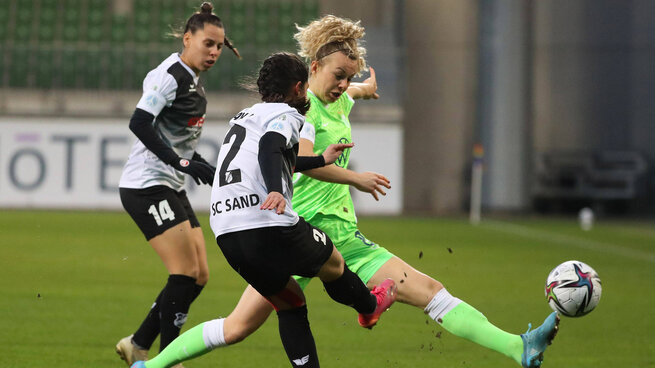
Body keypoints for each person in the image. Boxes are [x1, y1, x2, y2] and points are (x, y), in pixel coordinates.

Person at [133, 15, 559, 368]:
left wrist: (362, 89)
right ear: (312, 69)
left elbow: (343, 95)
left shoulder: (335, 98)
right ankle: (151, 364)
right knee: (237, 327)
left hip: (344, 238)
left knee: (431, 292)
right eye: (339, 76)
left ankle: (519, 348)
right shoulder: (300, 113)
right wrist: (354, 176)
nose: (343, 85)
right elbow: (302, 163)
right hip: (297, 233)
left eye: (348, 78)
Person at [131, 52, 396, 368]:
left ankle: (150, 366)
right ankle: (369, 306)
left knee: (291, 303)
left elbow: (280, 156)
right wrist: (274, 188)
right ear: (298, 87)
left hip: (228, 232)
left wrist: (320, 160)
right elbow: (271, 147)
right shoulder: (287, 115)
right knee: (335, 263)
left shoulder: (248, 115)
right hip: (265, 222)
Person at [115, 3, 240, 367]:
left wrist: (198, 164)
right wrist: (179, 162)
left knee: (199, 275)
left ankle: (138, 343)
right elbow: (139, 123)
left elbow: (180, 143)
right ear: (188, 38)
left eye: (219, 46)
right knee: (183, 273)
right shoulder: (169, 75)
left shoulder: (192, 80)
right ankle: (169, 360)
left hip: (170, 184)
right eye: (208, 43)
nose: (214, 51)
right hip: (146, 185)